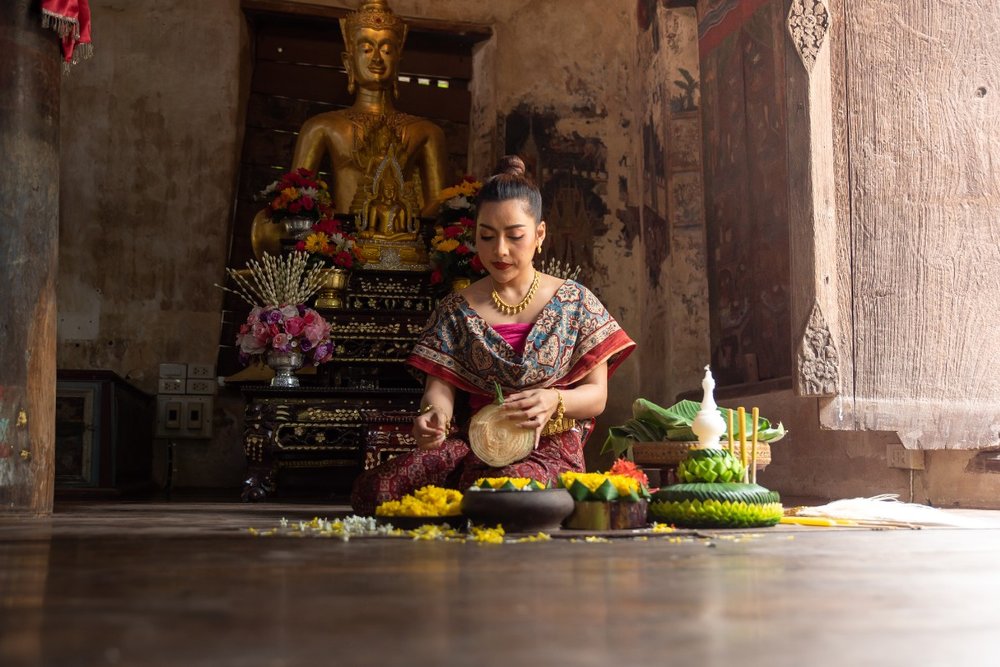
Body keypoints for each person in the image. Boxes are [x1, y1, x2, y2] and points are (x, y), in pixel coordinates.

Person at [351, 156, 636, 515]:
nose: (499, 250)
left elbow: (596, 397)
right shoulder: (457, 309)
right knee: (377, 490)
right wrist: (432, 416)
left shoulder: (576, 301)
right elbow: (438, 390)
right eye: (487, 236)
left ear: (539, 235)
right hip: (475, 442)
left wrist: (554, 402)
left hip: (546, 441)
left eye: (514, 236)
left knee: (509, 494)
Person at [290, 0, 449, 219]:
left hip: (402, 242)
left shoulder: (426, 132)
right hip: (341, 243)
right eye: (366, 49)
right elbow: (295, 199)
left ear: (398, 63)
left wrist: (405, 232)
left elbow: (439, 202)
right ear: (348, 62)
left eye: (386, 50)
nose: (376, 59)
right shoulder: (322, 127)